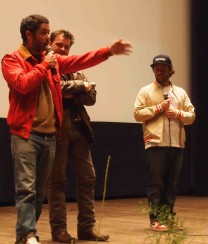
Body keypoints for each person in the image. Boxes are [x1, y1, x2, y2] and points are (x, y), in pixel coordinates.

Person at [1, 14, 132, 244]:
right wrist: (44, 66)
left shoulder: (51, 60)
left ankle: (27, 234)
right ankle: (27, 234)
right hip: (26, 135)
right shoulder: (12, 59)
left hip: (50, 136)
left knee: (39, 193)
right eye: (44, 33)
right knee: (26, 190)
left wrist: (108, 51)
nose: (48, 38)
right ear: (29, 34)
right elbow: (22, 84)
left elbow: (81, 61)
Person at [46, 29, 108, 243]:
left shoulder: (76, 69)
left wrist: (74, 90)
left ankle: (86, 229)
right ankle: (59, 230)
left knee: (88, 177)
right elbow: (55, 87)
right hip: (55, 126)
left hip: (78, 126)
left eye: (66, 46)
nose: (63, 49)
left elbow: (92, 98)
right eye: (59, 45)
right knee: (57, 180)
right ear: (50, 44)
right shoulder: (46, 65)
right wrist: (81, 86)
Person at [134, 54, 195, 231]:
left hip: (177, 144)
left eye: (163, 68)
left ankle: (167, 218)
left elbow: (191, 116)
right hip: (155, 144)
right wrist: (158, 108)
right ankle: (155, 220)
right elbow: (137, 114)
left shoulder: (180, 92)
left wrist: (177, 114)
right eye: (156, 68)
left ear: (170, 70)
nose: (159, 71)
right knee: (157, 184)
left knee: (171, 185)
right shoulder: (145, 91)